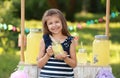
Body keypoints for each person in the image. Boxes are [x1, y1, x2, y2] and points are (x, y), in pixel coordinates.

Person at [37, 8, 77, 78]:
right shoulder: (45, 40)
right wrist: (48, 55)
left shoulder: (70, 41)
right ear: (46, 26)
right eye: (50, 23)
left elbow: (74, 64)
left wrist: (65, 58)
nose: (54, 25)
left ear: (62, 22)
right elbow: (39, 65)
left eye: (57, 22)